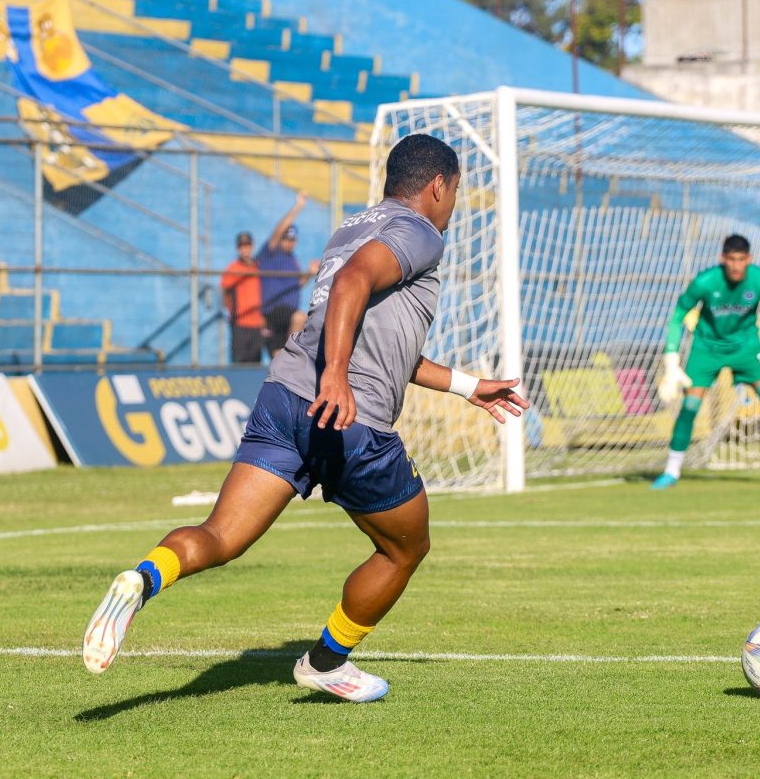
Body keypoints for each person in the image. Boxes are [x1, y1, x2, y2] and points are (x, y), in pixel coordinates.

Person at [82, 134, 530, 703]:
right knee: (404, 548)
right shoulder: (420, 231)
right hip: (348, 415)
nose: (454, 204)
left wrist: (466, 386)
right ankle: (325, 662)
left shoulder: (352, 227)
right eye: (456, 190)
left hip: (284, 398)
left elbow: (374, 334)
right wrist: (337, 376)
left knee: (220, 535)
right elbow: (350, 286)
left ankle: (142, 579)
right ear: (437, 186)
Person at [651, 234, 760, 489]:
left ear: (749, 259)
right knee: (690, 406)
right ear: (723, 258)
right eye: (731, 259)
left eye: (741, 260)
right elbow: (677, 316)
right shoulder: (705, 282)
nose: (736, 265)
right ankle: (671, 471)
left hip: (747, 346)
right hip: (707, 348)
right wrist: (671, 362)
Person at [257, 191, 320, 356]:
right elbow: (279, 230)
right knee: (299, 318)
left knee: (279, 356)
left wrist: (309, 274)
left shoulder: (293, 260)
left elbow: (296, 284)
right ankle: (291, 355)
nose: (289, 243)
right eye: (286, 239)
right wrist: (297, 207)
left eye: (292, 240)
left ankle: (289, 357)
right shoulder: (271, 253)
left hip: (288, 314)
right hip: (274, 310)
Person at [219, 231, 267, 363]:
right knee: (240, 363)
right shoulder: (233, 269)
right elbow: (224, 291)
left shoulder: (258, 267)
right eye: (242, 246)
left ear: (252, 246)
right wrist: (231, 311)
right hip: (240, 324)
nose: (245, 249)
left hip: (257, 324)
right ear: (238, 248)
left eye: (248, 245)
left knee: (256, 363)